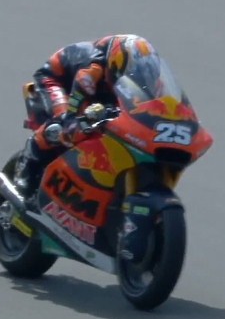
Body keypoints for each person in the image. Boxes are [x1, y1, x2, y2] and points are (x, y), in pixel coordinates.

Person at [13, 34, 162, 199]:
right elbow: (75, 106)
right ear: (117, 67)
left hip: (97, 91)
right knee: (65, 124)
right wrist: (72, 121)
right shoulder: (94, 69)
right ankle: (26, 166)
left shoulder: (149, 79)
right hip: (58, 80)